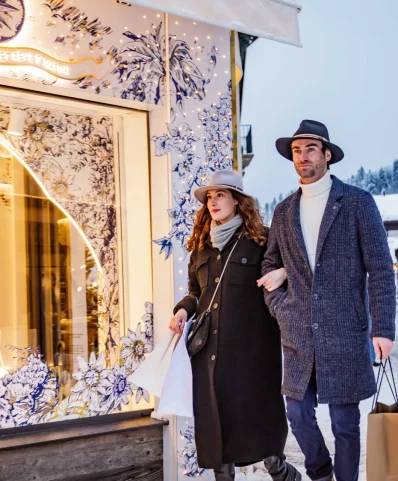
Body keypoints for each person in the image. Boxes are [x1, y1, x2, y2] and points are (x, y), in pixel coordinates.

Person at [261, 120, 396, 481]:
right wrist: (280, 309)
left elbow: (381, 269)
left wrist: (383, 328)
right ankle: (321, 473)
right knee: (299, 415)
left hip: (345, 333)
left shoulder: (357, 203)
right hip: (298, 334)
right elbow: (270, 264)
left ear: (326, 155)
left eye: (308, 149)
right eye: (295, 151)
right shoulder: (284, 211)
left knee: (345, 426)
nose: (301, 156)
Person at [169, 170, 301, 481]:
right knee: (215, 422)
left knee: (259, 417)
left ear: (237, 201)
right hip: (209, 351)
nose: (213, 201)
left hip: (253, 351)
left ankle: (280, 472)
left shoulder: (262, 241)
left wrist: (282, 273)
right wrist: (182, 311)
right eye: (209, 197)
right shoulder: (201, 248)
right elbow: (195, 292)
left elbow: (296, 271)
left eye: (221, 195)